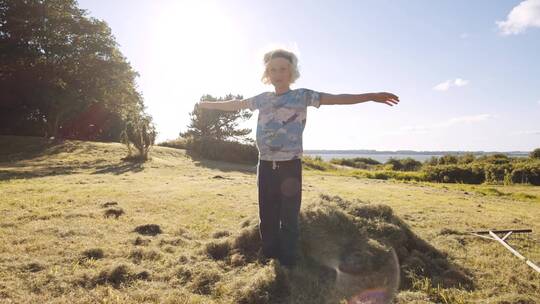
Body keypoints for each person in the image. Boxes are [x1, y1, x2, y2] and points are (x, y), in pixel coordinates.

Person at [197, 48, 399, 267]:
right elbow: (236, 104)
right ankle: (271, 257)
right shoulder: (262, 99)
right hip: (265, 165)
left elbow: (337, 99)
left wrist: (370, 97)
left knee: (289, 217)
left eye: (283, 69)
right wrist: (209, 105)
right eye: (273, 69)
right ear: (268, 73)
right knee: (267, 216)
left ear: (291, 72)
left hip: (290, 167)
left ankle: (290, 261)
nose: (278, 73)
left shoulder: (302, 96)